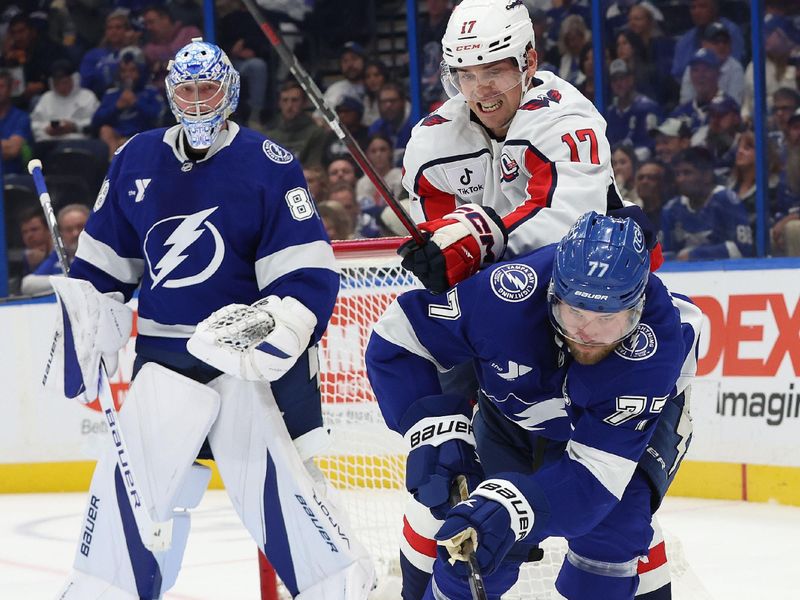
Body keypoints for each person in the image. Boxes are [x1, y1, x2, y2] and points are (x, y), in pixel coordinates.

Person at [50, 39, 374, 600]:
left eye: (208, 89)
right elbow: (105, 266)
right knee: (134, 500)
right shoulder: (135, 158)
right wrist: (88, 315)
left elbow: (305, 273)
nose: (197, 102)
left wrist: (278, 324)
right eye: (185, 90)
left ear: (230, 91)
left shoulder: (268, 164)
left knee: (293, 499)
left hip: (248, 368)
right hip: (165, 363)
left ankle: (342, 589)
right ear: (170, 94)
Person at [365, 211, 703, 600]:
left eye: (607, 321)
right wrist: (435, 429)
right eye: (573, 312)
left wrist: (513, 507)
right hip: (512, 417)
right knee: (475, 545)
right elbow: (400, 337)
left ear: (637, 311)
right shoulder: (506, 296)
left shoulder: (653, 350)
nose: (585, 335)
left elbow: (595, 480)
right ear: (552, 294)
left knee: (614, 530)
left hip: (616, 429)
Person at [398, 0, 641, 298]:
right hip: (496, 291)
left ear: (530, 62)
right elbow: (442, 252)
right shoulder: (432, 140)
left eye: (493, 71)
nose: (480, 89)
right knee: (403, 324)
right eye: (466, 75)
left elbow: (565, 223)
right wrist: (441, 255)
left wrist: (479, 240)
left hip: (590, 291)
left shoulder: (565, 119)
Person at [661, 147, 753, 260]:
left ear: (706, 176)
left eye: (687, 173)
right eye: (678, 174)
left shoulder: (726, 200)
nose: (680, 179)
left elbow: (743, 249)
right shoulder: (671, 209)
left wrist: (695, 255)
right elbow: (667, 252)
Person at [91, 46, 164, 159]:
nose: (127, 75)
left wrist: (136, 103)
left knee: (124, 144)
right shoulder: (111, 93)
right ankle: (111, 169)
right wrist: (117, 106)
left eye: (132, 70)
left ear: (141, 71)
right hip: (116, 138)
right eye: (123, 71)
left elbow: (158, 117)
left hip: (142, 136)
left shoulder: (150, 92)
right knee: (105, 130)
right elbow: (96, 121)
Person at [20, 203, 89, 294]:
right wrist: (71, 279)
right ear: (61, 234)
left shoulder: (103, 251)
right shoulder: (59, 254)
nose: (75, 233)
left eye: (80, 227)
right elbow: (27, 285)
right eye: (68, 229)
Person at [29, 60, 99, 145]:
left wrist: (74, 127)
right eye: (57, 83)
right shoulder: (46, 98)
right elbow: (34, 124)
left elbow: (96, 122)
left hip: (79, 142)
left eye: (65, 82)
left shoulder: (88, 97)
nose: (61, 87)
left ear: (74, 79)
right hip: (50, 143)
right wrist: (46, 129)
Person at [605, 59, 660, 162]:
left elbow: (651, 145)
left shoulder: (648, 108)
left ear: (631, 79)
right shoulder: (610, 113)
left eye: (622, 78)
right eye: (614, 80)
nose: (618, 84)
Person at [265, 79, 328, 167]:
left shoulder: (315, 133)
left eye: (294, 100)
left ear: (304, 103)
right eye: (285, 100)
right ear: (279, 103)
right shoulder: (269, 135)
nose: (289, 106)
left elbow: (314, 168)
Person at [679, 21, 744, 106]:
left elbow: (734, 104)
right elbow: (686, 102)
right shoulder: (695, 64)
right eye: (716, 42)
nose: (721, 46)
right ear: (704, 44)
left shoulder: (735, 67)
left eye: (725, 41)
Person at [0, 68, 33, 175]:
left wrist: (9, 147)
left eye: (1, 87)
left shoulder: (21, 117)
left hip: (13, 178)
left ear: (10, 89)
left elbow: (13, 150)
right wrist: (5, 145)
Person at [18, 208, 53, 275]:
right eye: (25, 232)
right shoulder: (26, 258)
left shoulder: (63, 252)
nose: (29, 235)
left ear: (48, 230)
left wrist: (45, 260)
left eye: (34, 230)